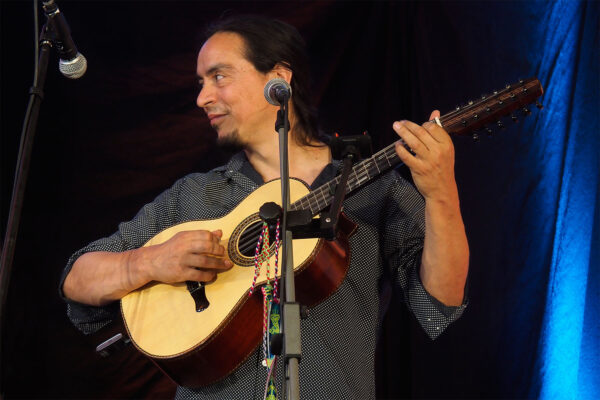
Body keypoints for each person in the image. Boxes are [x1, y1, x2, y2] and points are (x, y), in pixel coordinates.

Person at [60, 15, 469, 399]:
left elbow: (440, 303)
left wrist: (442, 193)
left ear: (279, 79)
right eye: (201, 82)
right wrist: (149, 262)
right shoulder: (196, 195)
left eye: (219, 76)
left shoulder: (369, 186)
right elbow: (77, 278)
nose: (203, 97)